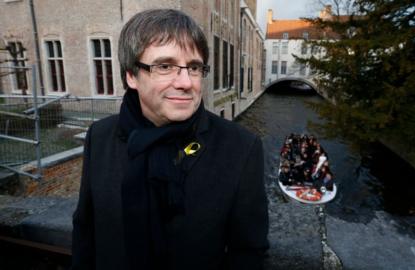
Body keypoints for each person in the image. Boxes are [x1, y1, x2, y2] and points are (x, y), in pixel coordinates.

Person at [72, 9, 269, 270]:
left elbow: (248, 252)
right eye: (165, 66)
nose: (186, 82)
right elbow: (86, 230)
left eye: (195, 67)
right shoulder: (100, 137)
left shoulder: (240, 148)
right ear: (132, 75)